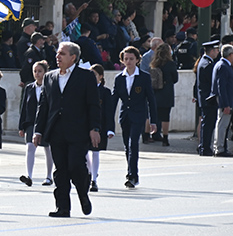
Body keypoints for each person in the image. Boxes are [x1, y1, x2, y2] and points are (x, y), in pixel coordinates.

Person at [33, 41, 100, 218]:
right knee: (60, 169)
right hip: (56, 131)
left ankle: (83, 193)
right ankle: (63, 207)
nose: (58, 56)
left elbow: (93, 104)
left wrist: (94, 128)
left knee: (76, 165)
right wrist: (38, 131)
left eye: (62, 53)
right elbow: (44, 106)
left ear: (73, 57)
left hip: (78, 131)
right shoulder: (49, 77)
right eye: (57, 53)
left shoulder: (85, 76)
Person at [113, 46, 158, 189]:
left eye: (131, 59)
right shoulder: (119, 78)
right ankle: (131, 172)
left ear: (137, 60)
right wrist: (107, 122)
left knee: (133, 144)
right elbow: (114, 100)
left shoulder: (144, 77)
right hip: (125, 116)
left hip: (138, 116)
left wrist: (153, 120)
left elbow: (151, 99)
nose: (128, 62)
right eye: (126, 59)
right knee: (127, 146)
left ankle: (132, 175)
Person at [17, 60, 53, 187]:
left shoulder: (50, 86)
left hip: (46, 122)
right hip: (31, 121)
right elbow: (24, 107)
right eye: (35, 71)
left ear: (45, 72)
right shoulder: (29, 87)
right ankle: (29, 176)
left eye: (40, 71)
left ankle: (49, 176)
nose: (37, 74)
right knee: (30, 147)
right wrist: (21, 126)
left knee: (47, 148)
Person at [87, 64, 114, 192]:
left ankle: (94, 179)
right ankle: (90, 172)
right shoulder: (84, 89)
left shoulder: (105, 92)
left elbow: (109, 112)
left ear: (101, 76)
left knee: (95, 152)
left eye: (95, 74)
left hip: (99, 126)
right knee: (84, 152)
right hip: (85, 126)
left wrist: (110, 129)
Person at [150, 43, 178, 146]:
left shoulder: (154, 64)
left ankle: (150, 134)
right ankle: (165, 138)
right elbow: (175, 79)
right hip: (167, 93)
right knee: (165, 117)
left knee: (154, 115)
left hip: (155, 92)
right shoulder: (170, 64)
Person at [212, 44, 233, 157]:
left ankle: (220, 146)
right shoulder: (223, 66)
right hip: (225, 102)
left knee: (222, 124)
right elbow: (221, 87)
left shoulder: (223, 65)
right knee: (222, 125)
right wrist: (226, 104)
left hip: (227, 101)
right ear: (230, 55)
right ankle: (220, 148)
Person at [197, 40, 221, 156]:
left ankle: (203, 146)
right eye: (216, 50)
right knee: (208, 124)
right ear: (211, 51)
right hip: (208, 100)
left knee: (206, 123)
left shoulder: (204, 61)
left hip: (205, 99)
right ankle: (205, 147)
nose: (217, 52)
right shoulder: (208, 65)